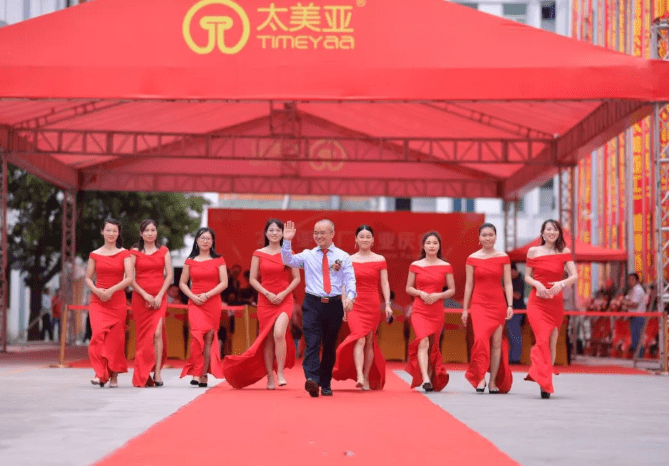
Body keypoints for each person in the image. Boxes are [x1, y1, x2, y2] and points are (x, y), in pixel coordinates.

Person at [281, 219, 356, 397]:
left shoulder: (343, 256)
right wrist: (287, 241)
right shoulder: (308, 255)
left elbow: (350, 279)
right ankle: (312, 380)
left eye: (323, 232)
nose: (319, 236)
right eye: (316, 233)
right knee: (312, 343)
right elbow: (289, 260)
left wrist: (350, 297)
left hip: (334, 305)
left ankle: (326, 382)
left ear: (332, 234)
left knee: (329, 346)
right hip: (312, 304)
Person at [223, 219, 301, 389]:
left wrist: (283, 294)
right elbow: (252, 279)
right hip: (265, 300)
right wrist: (267, 293)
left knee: (279, 333)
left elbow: (297, 279)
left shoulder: (289, 252)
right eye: (271, 230)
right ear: (266, 233)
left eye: (278, 230)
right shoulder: (258, 253)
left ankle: (280, 372)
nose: (274, 233)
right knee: (267, 339)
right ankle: (270, 378)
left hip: (284, 299)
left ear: (282, 233)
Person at [332, 225, 393, 391]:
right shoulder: (348, 259)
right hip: (355, 303)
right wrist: (344, 304)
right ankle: (359, 375)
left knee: (369, 341)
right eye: (361, 236)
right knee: (359, 338)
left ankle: (366, 376)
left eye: (368, 237)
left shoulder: (380, 259)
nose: (364, 239)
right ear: (356, 240)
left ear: (373, 240)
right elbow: (344, 284)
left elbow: (384, 283)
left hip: (372, 303)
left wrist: (387, 305)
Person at [524, 219, 577, 399]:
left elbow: (574, 276)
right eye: (548, 229)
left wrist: (561, 284)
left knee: (552, 342)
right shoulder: (533, 251)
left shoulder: (564, 252)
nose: (551, 232)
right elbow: (527, 276)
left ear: (559, 233)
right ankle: (544, 382)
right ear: (542, 232)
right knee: (542, 339)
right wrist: (537, 284)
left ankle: (545, 379)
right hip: (537, 302)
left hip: (555, 302)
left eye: (555, 230)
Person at [462, 223, 514, 394]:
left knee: (497, 344)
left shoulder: (503, 257)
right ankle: (480, 377)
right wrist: (465, 309)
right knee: (480, 341)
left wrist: (510, 304)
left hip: (498, 304)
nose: (487, 238)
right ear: (479, 238)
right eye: (484, 235)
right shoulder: (472, 258)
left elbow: (508, 283)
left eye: (491, 234)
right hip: (479, 304)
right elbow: (469, 285)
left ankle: (492, 382)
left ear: (496, 237)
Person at [84, 219, 133, 388]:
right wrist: (97, 290)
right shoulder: (94, 254)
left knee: (115, 340)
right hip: (98, 301)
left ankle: (113, 376)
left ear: (118, 234)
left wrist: (111, 290)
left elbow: (129, 278)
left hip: (117, 300)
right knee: (97, 336)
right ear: (102, 232)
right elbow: (88, 278)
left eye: (114, 231)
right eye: (108, 230)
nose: (111, 233)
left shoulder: (124, 253)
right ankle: (99, 373)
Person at [405, 231, 455, 392]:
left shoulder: (446, 266)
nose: (431, 246)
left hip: (437, 309)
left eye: (435, 243)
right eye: (428, 243)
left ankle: (431, 377)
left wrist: (438, 295)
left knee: (433, 346)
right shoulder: (416, 265)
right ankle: (425, 378)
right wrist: (421, 293)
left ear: (439, 246)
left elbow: (452, 290)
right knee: (423, 341)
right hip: (420, 309)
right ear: (423, 246)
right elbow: (408, 288)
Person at [179, 227, 228, 388]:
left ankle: (203, 374)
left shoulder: (219, 260)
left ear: (212, 241)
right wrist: (193, 297)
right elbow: (182, 283)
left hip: (212, 302)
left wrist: (207, 295)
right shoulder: (190, 261)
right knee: (196, 336)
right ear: (197, 241)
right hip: (195, 303)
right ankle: (197, 370)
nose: (205, 241)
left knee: (208, 340)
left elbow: (224, 283)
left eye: (208, 238)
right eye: (202, 238)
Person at [130, 219, 173, 388]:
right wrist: (145, 295)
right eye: (146, 230)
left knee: (157, 333)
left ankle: (157, 372)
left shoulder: (164, 251)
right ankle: (144, 371)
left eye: (153, 230)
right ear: (141, 233)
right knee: (144, 337)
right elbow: (130, 278)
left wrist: (160, 295)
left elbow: (169, 275)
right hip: (140, 299)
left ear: (157, 232)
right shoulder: (134, 251)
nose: (150, 233)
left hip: (159, 298)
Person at [623, 273, 647, 358]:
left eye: (632, 279)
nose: (630, 281)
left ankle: (639, 357)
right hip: (633, 316)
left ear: (637, 280)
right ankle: (636, 356)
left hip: (638, 317)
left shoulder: (637, 289)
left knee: (637, 338)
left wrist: (625, 304)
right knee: (634, 338)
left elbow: (635, 304)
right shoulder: (632, 290)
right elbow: (626, 299)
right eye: (629, 279)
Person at [506, 263, 526, 364]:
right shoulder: (513, 280)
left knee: (515, 335)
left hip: (516, 312)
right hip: (512, 312)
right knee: (511, 335)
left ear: (514, 270)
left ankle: (515, 359)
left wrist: (505, 290)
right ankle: (513, 357)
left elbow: (517, 296)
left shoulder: (519, 280)